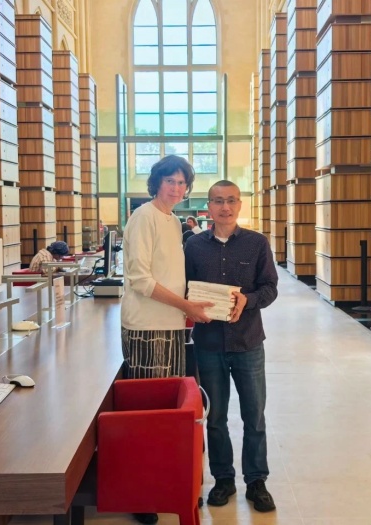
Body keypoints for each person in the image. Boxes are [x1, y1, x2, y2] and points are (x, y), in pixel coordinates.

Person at [120, 155, 212, 524]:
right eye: (170, 181)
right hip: (147, 327)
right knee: (147, 415)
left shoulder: (172, 221)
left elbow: (171, 276)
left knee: (166, 413)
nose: (176, 188)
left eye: (181, 182)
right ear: (156, 182)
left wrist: (190, 305)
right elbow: (140, 279)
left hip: (171, 325)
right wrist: (186, 305)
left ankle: (162, 483)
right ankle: (141, 494)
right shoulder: (143, 217)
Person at [184, 180, 278, 513]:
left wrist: (247, 300)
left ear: (239, 205)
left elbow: (270, 288)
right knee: (215, 417)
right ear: (208, 207)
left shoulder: (257, 243)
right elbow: (185, 289)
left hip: (248, 342)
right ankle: (223, 479)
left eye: (231, 201)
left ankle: (256, 481)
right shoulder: (193, 246)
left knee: (254, 415)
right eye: (218, 201)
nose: (225, 207)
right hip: (208, 344)